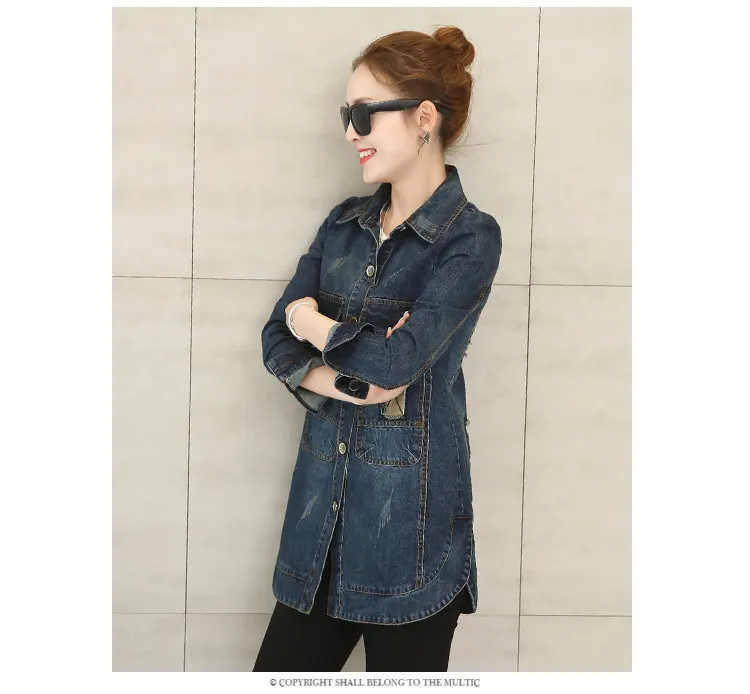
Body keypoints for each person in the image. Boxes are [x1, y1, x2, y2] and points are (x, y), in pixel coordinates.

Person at [256, 25, 502, 672]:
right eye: (348, 115)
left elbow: (394, 362)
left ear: (424, 117)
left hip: (411, 544)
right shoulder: (342, 225)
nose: (350, 132)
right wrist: (345, 378)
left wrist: (313, 324)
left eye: (364, 114)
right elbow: (275, 337)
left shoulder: (470, 240)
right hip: (317, 535)